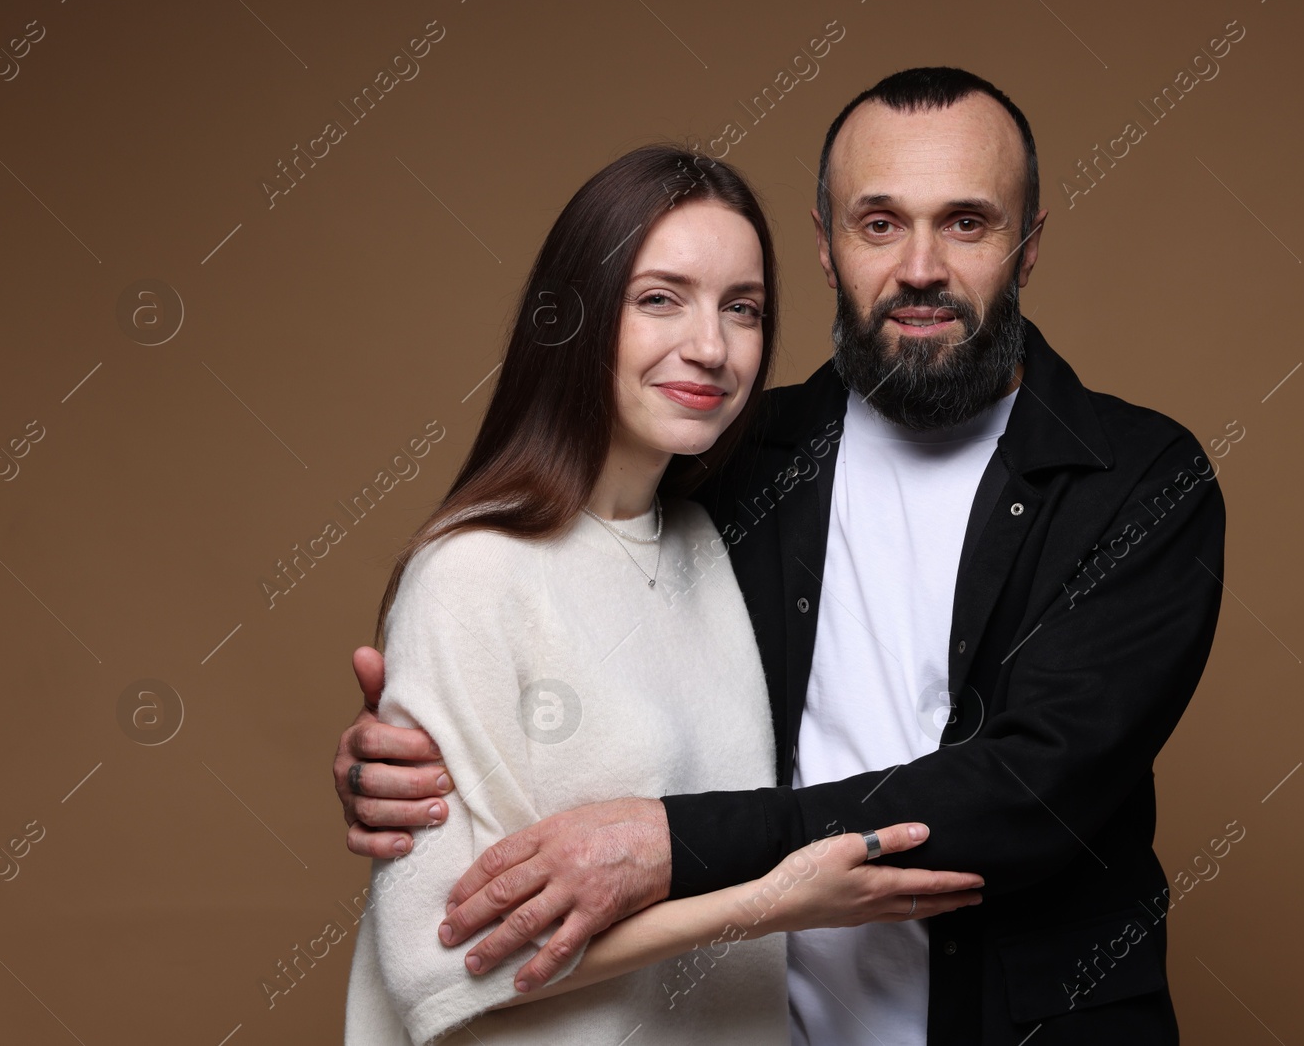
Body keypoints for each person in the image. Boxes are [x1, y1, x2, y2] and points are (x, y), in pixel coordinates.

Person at [337, 68, 1227, 1044]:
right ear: (825, 243)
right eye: (879, 222)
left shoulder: (1138, 478)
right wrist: (426, 745)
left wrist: (671, 844)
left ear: (1028, 244)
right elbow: (572, 610)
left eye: (966, 223)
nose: (920, 265)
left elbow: (1033, 787)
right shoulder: (729, 462)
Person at [341, 143, 984, 1046]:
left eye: (743, 309)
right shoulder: (475, 570)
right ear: (573, 316)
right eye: (659, 299)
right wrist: (773, 903)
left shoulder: (709, 542)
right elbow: (437, 960)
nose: (711, 348)